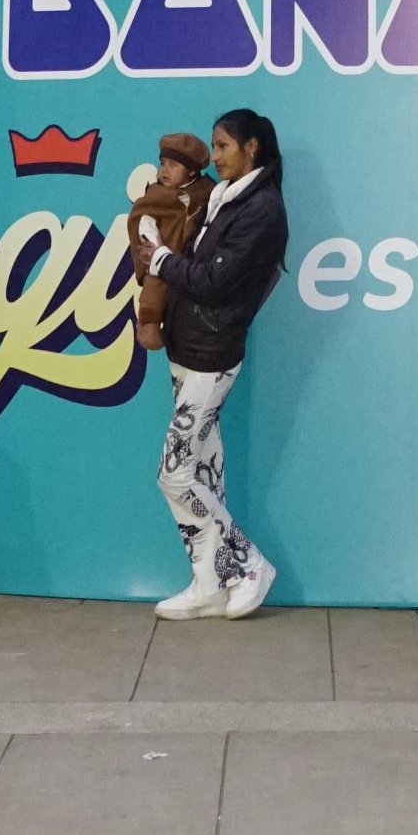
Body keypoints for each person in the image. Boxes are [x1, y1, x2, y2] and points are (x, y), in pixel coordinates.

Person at [134, 106, 287, 619]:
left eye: (223, 147)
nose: (215, 156)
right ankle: (208, 582)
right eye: (214, 147)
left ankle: (247, 565)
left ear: (253, 148)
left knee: (174, 475)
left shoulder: (262, 210)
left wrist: (158, 257)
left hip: (210, 356)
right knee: (203, 469)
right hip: (189, 347)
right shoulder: (224, 198)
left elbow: (213, 280)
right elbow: (197, 265)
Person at [126, 131, 214, 353]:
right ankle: (149, 322)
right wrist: (153, 246)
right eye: (163, 163)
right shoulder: (155, 197)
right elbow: (141, 220)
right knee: (154, 286)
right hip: (160, 258)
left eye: (173, 165)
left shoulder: (209, 195)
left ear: (192, 170)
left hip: (191, 266)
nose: (164, 170)